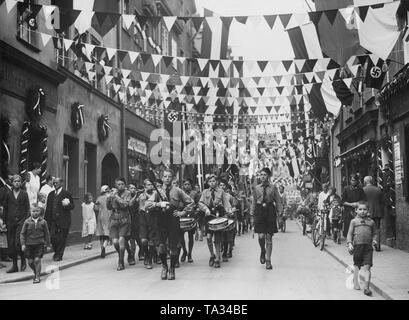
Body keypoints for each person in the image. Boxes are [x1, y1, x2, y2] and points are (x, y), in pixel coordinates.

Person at [146, 169, 194, 280]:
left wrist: (182, 212)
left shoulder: (177, 191)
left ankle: (172, 268)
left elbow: (190, 202)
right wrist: (158, 204)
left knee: (173, 247)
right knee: (161, 247)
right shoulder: (157, 192)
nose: (167, 178)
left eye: (169, 176)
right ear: (162, 178)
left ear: (172, 178)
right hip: (161, 221)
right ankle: (164, 266)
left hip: (173, 221)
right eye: (165, 176)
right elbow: (147, 204)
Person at [197, 175, 232, 269]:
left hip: (218, 214)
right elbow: (200, 203)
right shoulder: (205, 192)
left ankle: (217, 258)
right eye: (210, 181)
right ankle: (212, 255)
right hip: (209, 214)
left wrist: (229, 210)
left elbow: (226, 203)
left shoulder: (221, 191)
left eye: (213, 181)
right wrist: (205, 209)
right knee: (208, 237)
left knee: (217, 237)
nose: (212, 183)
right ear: (208, 183)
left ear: (216, 181)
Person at [251, 168, 280, 270]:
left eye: (264, 174)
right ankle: (262, 251)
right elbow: (254, 202)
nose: (262, 176)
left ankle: (268, 260)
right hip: (259, 211)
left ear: (268, 176)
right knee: (261, 236)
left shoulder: (273, 187)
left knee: (269, 237)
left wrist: (280, 213)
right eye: (261, 175)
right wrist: (252, 214)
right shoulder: (256, 188)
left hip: (270, 211)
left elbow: (278, 201)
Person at [347, 201, 376, 297]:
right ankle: (356, 282)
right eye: (360, 209)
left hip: (368, 247)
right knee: (357, 266)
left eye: (364, 209)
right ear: (356, 210)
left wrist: (374, 240)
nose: (362, 211)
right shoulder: (354, 221)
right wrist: (349, 243)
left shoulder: (371, 222)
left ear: (367, 210)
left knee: (368, 267)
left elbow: (375, 233)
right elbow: (350, 234)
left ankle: (367, 288)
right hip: (358, 246)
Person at [3, 175, 30, 273]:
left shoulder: (24, 194)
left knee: (18, 242)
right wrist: (4, 221)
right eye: (15, 181)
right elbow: (5, 209)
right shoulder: (8, 194)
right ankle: (14, 266)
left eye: (18, 181)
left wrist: (25, 220)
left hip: (21, 222)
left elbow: (28, 209)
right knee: (11, 244)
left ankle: (23, 259)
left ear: (21, 182)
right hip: (10, 222)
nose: (17, 183)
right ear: (12, 183)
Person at [44, 177, 75, 261]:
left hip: (63, 220)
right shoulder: (50, 194)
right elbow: (48, 207)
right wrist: (46, 220)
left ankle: (59, 255)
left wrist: (67, 205)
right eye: (54, 182)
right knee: (52, 237)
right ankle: (56, 252)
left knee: (62, 238)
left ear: (61, 183)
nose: (55, 184)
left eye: (57, 182)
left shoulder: (66, 193)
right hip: (52, 220)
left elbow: (72, 206)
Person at [20, 204, 51, 283]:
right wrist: (23, 244)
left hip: (39, 244)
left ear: (40, 211)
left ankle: (37, 277)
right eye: (33, 211)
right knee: (30, 262)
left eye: (37, 211)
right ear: (30, 212)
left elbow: (47, 234)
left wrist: (48, 245)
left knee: (37, 260)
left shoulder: (43, 222)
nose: (35, 213)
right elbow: (22, 234)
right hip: (29, 244)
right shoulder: (27, 222)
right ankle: (36, 272)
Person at [106, 177, 132, 271]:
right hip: (114, 219)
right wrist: (109, 198)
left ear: (125, 185)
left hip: (124, 219)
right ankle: (126, 252)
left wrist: (116, 197)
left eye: (122, 184)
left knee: (121, 239)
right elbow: (108, 207)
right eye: (118, 184)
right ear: (116, 185)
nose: (120, 186)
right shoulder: (113, 193)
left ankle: (121, 261)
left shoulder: (127, 193)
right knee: (115, 242)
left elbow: (125, 204)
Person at [137, 179, 159, 269]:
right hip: (143, 217)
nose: (150, 186)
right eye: (148, 185)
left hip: (153, 217)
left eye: (151, 184)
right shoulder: (141, 195)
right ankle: (147, 254)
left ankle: (150, 259)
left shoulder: (157, 194)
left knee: (152, 241)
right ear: (145, 186)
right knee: (143, 241)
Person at [179, 179, 200, 263]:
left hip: (192, 217)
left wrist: (197, 211)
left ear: (191, 185)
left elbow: (198, 204)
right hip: (182, 216)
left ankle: (190, 254)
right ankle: (184, 251)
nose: (187, 186)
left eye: (188, 184)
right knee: (181, 237)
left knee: (191, 236)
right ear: (183, 185)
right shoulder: (180, 193)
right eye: (185, 184)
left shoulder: (194, 193)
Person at [363, 176, 385, 252]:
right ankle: (377, 245)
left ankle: (368, 246)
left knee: (367, 228)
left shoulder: (363, 190)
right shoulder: (378, 190)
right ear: (372, 181)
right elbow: (383, 202)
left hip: (367, 212)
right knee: (377, 229)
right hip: (377, 212)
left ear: (365, 182)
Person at [342, 174, 366, 239]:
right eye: (352, 180)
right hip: (348, 210)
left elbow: (364, 199)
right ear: (350, 181)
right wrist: (350, 204)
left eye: (355, 180)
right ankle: (349, 239)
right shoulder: (346, 189)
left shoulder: (360, 189)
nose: (354, 182)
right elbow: (343, 201)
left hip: (358, 210)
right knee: (348, 225)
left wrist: (358, 203)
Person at [219, 180, 237, 261]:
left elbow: (234, 206)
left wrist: (231, 211)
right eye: (220, 185)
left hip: (227, 218)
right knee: (219, 236)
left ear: (225, 187)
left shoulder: (229, 196)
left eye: (223, 185)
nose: (222, 187)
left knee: (226, 236)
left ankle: (225, 253)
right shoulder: (215, 195)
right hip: (217, 218)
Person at [127, 184, 143, 265]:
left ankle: (141, 253)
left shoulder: (139, 198)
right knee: (132, 241)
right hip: (129, 220)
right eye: (131, 188)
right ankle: (131, 256)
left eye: (134, 188)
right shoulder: (127, 197)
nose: (133, 189)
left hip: (137, 220)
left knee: (140, 240)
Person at [94, 185, 111, 258]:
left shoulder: (99, 198)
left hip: (100, 216)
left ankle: (102, 248)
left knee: (101, 233)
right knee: (107, 233)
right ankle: (104, 246)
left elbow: (96, 208)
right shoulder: (109, 197)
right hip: (108, 215)